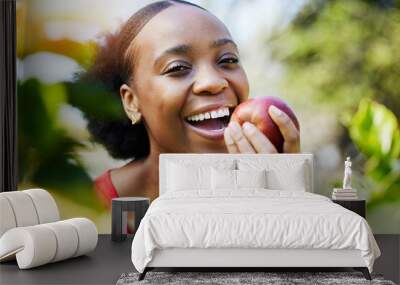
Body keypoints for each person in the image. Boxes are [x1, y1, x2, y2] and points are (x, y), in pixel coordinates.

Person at [81, 0, 300, 207]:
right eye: (177, 68)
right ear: (131, 102)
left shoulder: (265, 187)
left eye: (228, 60)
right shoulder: (88, 208)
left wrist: (281, 202)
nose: (214, 82)